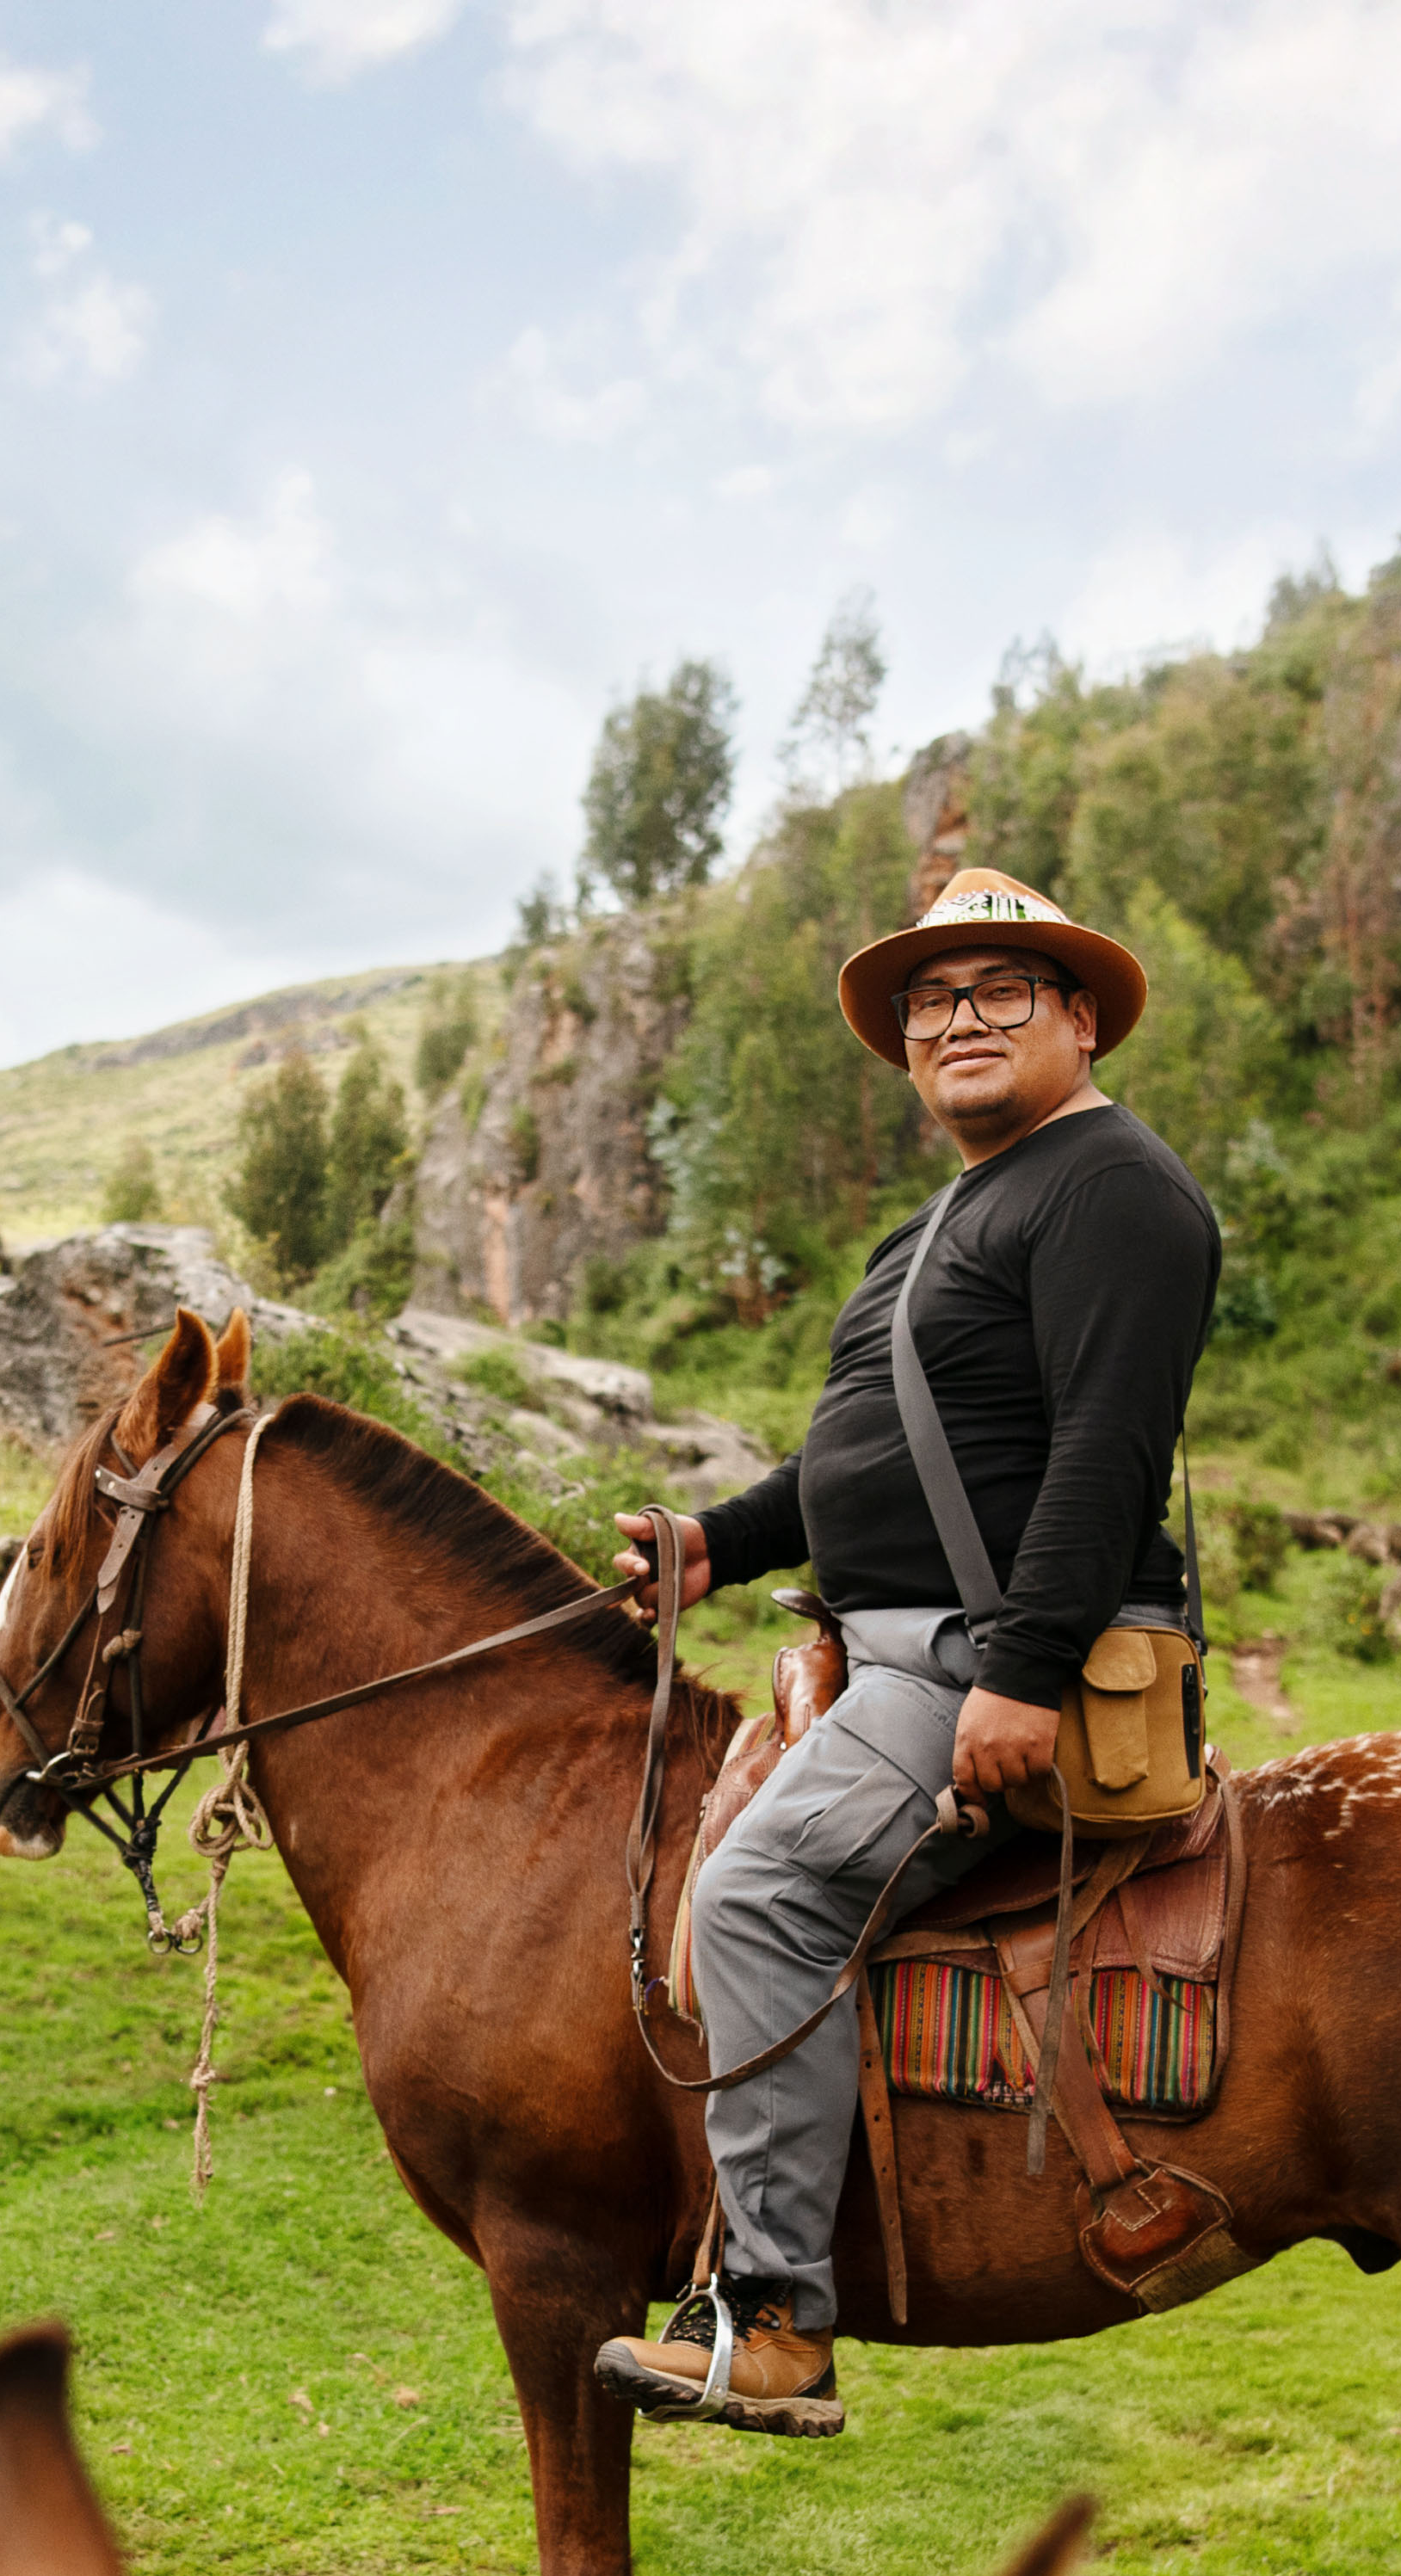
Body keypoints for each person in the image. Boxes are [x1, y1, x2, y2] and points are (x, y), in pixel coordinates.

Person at [589, 871, 1219, 2435]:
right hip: (894, 1651)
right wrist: (714, 1545)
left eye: (1002, 988)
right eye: (931, 1000)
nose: (957, 1020)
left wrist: (1018, 1669)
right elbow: (853, 1462)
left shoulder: (1113, 1190)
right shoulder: (933, 1225)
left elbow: (1102, 1456)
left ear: (1080, 1018)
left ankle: (777, 2320)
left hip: (978, 1663)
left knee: (753, 1891)